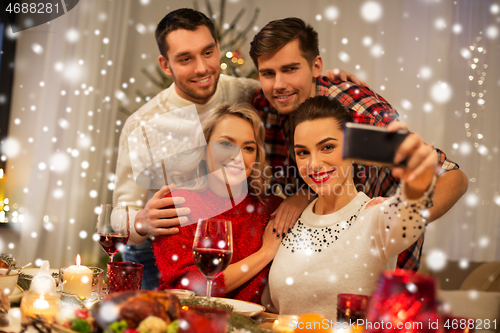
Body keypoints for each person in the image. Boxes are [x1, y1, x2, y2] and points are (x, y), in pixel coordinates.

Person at [113, 8, 362, 289]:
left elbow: (289, 85)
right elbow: (119, 215)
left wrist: (326, 81)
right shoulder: (142, 126)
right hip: (159, 251)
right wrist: (141, 221)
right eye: (185, 59)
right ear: (165, 65)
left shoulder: (245, 91)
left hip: (233, 242)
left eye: (208, 52)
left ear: (219, 49)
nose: (202, 68)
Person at [248, 18, 468, 270]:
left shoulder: (360, 116)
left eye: (290, 69)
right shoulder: (263, 107)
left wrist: (398, 222)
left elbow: (453, 177)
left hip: (379, 269)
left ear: (316, 66)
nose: (278, 84)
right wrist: (306, 195)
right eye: (268, 73)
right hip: (310, 260)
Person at [268, 96, 437, 319]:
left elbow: (406, 218)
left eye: (327, 147)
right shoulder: (291, 218)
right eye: (303, 152)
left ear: (352, 149)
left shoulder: (376, 215)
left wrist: (415, 187)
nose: (314, 164)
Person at [153, 103, 282, 303]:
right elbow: (191, 287)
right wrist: (266, 253)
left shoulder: (271, 208)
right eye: (226, 144)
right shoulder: (176, 205)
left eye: (248, 148)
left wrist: (302, 198)